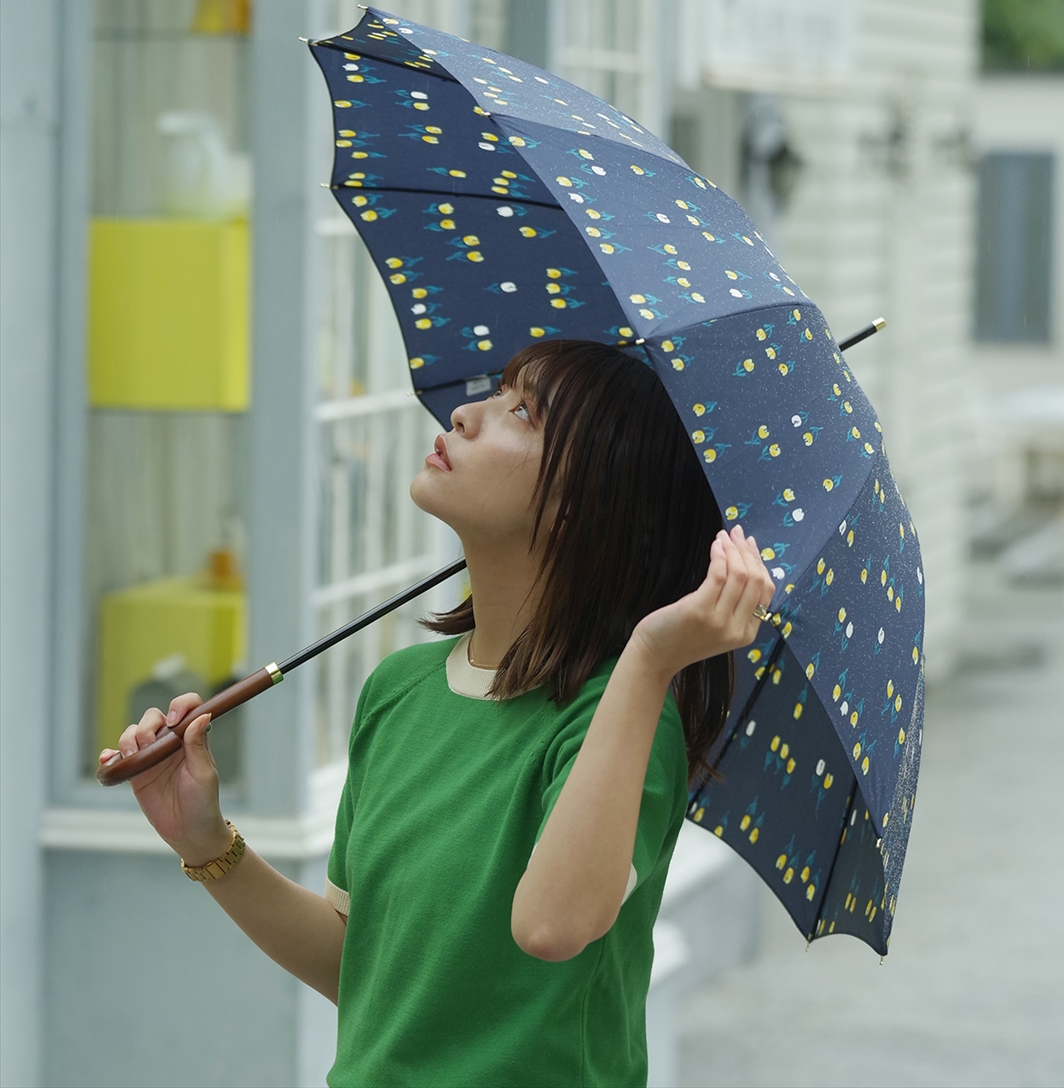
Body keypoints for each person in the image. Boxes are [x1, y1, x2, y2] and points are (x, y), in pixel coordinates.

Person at [101, 339, 773, 1087]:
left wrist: (650, 657)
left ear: (584, 500)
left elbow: (551, 927)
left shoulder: (619, 715)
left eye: (522, 412)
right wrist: (204, 841)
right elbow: (361, 965)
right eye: (499, 390)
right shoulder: (397, 690)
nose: (467, 412)